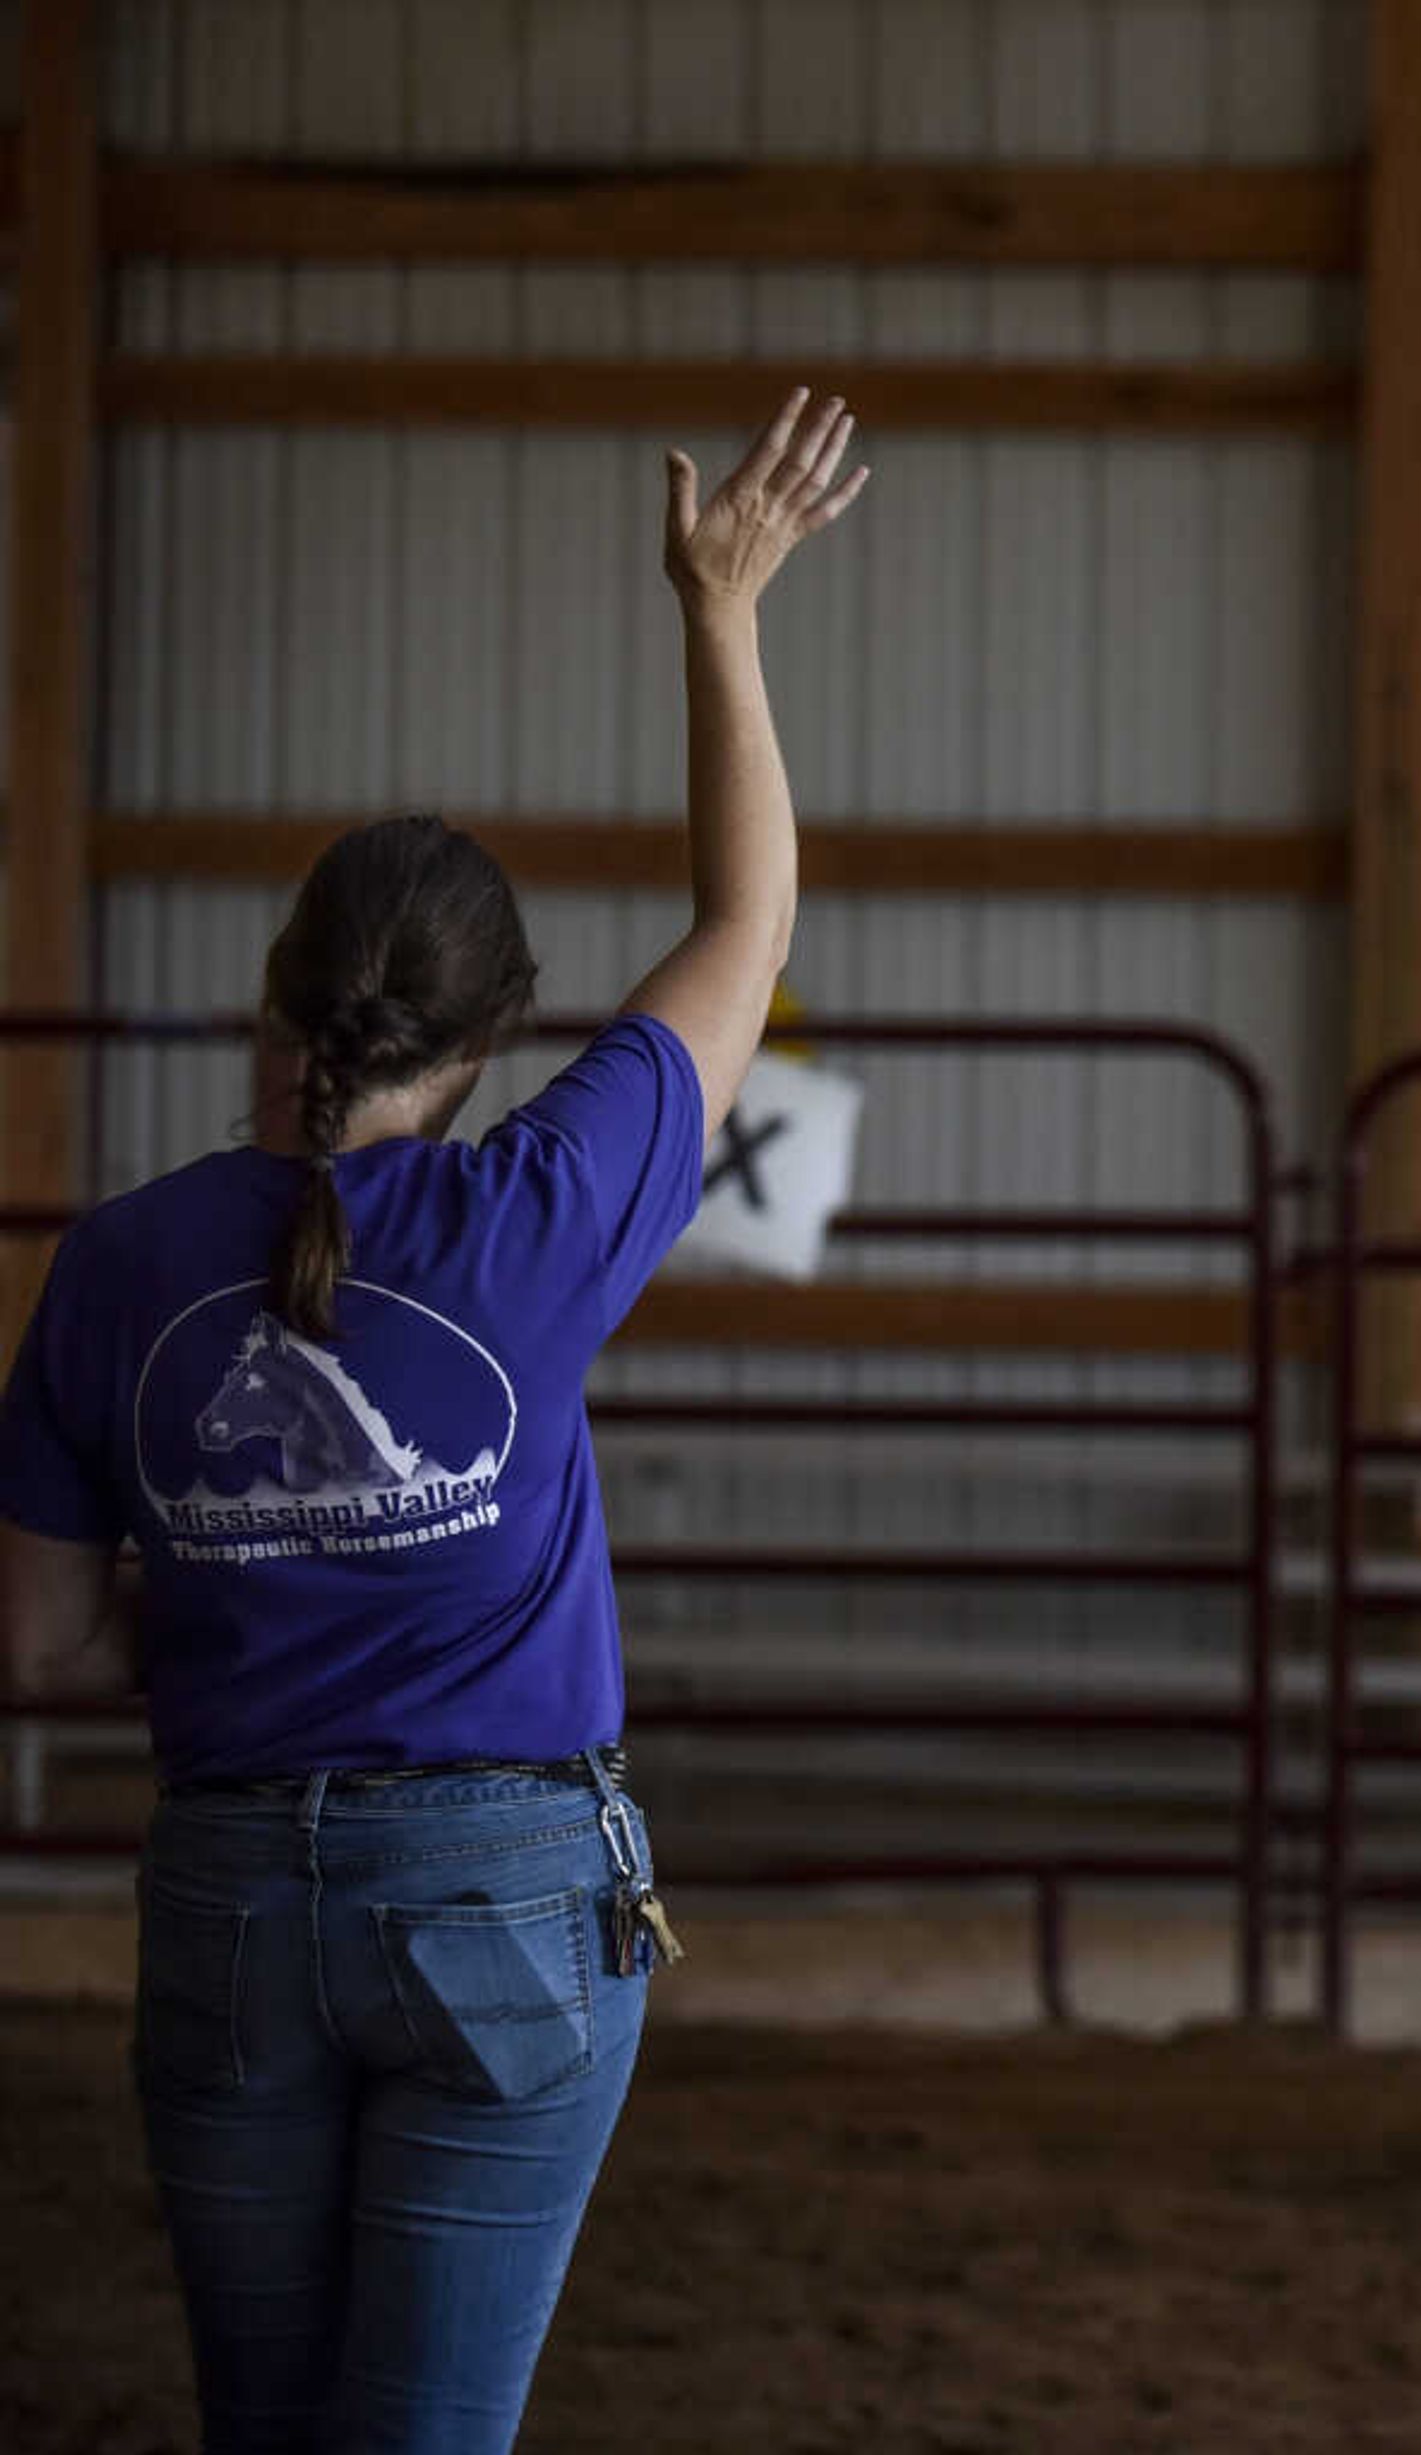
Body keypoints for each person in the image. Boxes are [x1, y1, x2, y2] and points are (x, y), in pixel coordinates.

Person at [0, 390, 865, 2447]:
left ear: (269, 1004)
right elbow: (747, 930)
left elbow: (26, 1641)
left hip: (224, 1904)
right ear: (481, 1050)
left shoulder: (115, 1266)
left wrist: (237, 1585)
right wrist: (720, 609)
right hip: (501, 1900)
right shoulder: (536, 1212)